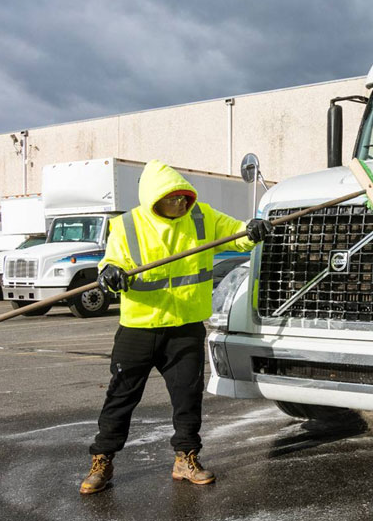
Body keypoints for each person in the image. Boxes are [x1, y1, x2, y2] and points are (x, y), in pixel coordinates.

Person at [80, 160, 273, 495]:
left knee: (187, 398)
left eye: (185, 197)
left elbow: (238, 235)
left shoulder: (202, 217)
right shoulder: (127, 225)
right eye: (174, 198)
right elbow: (111, 262)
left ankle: (186, 458)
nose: (182, 203)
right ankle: (102, 460)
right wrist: (109, 273)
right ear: (155, 199)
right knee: (120, 398)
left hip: (184, 328)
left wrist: (252, 229)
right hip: (139, 329)